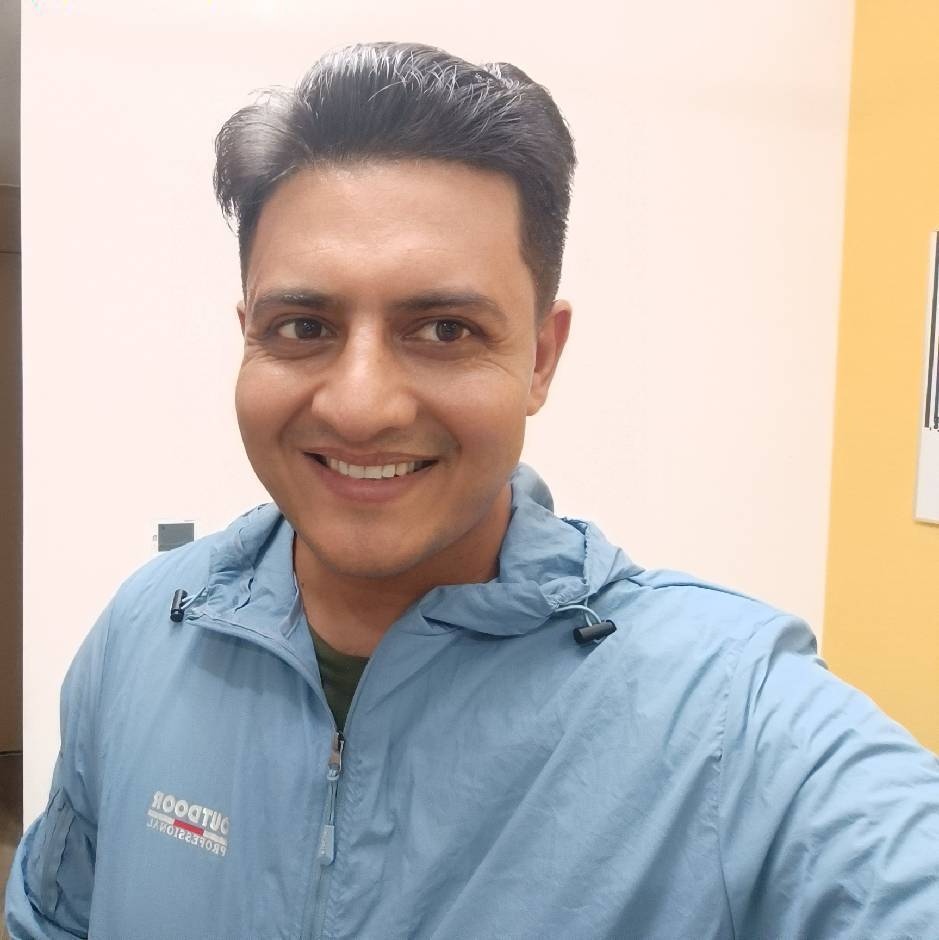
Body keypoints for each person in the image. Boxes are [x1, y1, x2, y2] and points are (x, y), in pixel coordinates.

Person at [6, 41, 939, 940]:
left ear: (539, 358)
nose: (360, 405)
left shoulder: (728, 716)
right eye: (304, 327)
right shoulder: (145, 633)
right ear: (248, 334)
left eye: (444, 330)